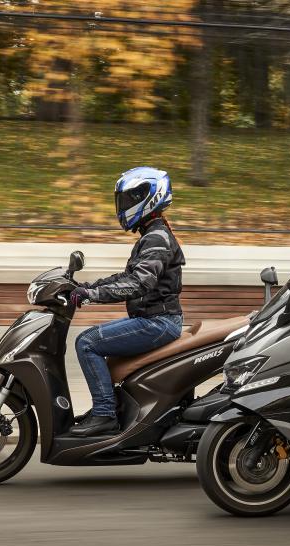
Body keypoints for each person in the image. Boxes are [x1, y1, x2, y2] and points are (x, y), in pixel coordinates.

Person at [68, 167, 185, 437]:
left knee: (87, 343)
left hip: (159, 322)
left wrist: (91, 296)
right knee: (95, 341)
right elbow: (127, 276)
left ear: (148, 198)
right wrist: (87, 286)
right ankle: (107, 407)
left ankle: (104, 414)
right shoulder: (153, 233)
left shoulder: (157, 237)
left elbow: (138, 283)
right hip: (154, 319)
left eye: (129, 200)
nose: (123, 206)